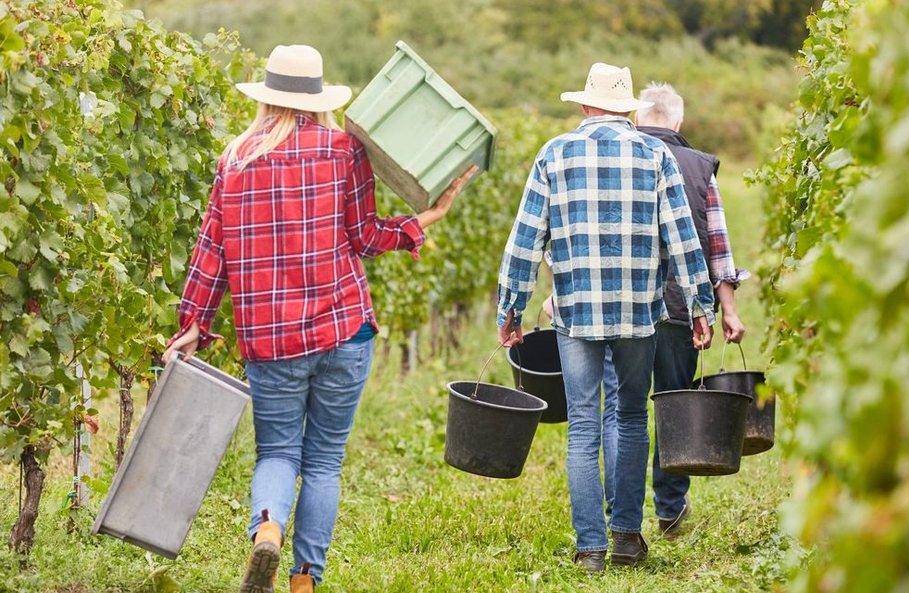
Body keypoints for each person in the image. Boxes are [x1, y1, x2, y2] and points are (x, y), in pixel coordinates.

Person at [160, 45, 476, 593]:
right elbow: (365, 236)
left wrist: (193, 324)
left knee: (278, 452)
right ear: (317, 98)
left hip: (272, 340)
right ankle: (306, 579)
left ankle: (268, 528)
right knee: (325, 461)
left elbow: (212, 247)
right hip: (343, 329)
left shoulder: (234, 159)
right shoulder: (343, 150)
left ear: (266, 97)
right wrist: (425, 218)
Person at [496, 63, 716, 573]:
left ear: (585, 105)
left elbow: (526, 240)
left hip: (576, 313)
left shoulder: (555, 154)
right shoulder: (656, 154)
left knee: (582, 429)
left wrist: (511, 308)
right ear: (627, 109)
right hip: (641, 314)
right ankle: (625, 537)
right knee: (633, 418)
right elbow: (682, 238)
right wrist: (701, 305)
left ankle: (590, 547)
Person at [599, 82, 749, 538]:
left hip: (622, 304)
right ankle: (670, 510)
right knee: (674, 402)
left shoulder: (616, 158)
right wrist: (727, 310)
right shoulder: (701, 167)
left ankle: (618, 510)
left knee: (620, 409)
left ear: (636, 119)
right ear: (678, 123)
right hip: (683, 307)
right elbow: (717, 246)